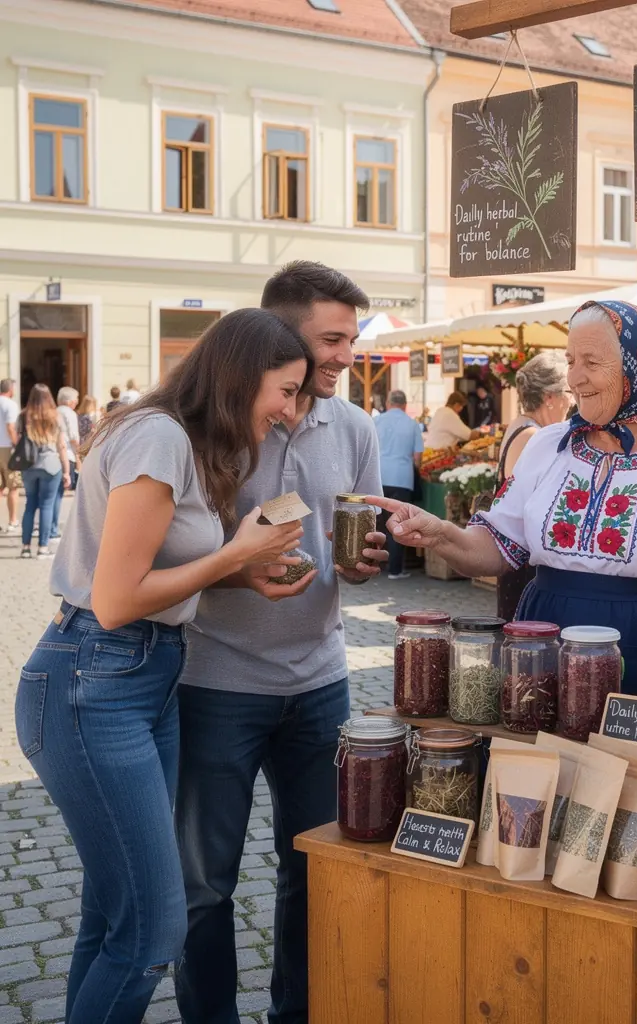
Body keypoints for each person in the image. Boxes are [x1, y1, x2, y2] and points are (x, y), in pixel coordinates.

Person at [15, 309, 309, 1024]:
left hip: (140, 675)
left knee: (113, 916)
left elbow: (155, 574)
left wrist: (242, 576)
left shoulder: (182, 440)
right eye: (287, 389)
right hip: (95, 677)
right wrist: (235, 555)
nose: (291, 409)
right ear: (244, 374)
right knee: (152, 933)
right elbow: (116, 600)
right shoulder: (159, 437)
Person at [371, 300, 637, 725]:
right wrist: (439, 534)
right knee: (543, 784)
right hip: (545, 652)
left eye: (591, 362)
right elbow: (497, 546)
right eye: (570, 360)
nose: (575, 379)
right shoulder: (547, 446)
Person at [173, 262, 388, 1024]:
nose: (343, 358)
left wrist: (362, 568)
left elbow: (351, 551)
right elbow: (171, 567)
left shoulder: (356, 426)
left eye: (350, 342)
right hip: (215, 682)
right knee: (205, 882)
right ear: (275, 336)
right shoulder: (210, 429)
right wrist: (243, 567)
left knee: (315, 868)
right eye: (330, 340)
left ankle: (296, 1013)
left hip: (320, 680)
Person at [496, 351, 571, 620]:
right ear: (549, 397)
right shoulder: (532, 435)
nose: (571, 401)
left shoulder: (521, 425)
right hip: (523, 556)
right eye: (567, 391)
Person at [375, 388, 424, 580]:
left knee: (377, 522)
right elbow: (418, 457)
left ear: (388, 403)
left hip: (378, 476)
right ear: (404, 405)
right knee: (398, 523)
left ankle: (374, 564)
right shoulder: (412, 424)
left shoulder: (376, 421)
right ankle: (395, 570)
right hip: (402, 479)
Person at [17, 385, 71, 559]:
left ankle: (25, 547)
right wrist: (67, 471)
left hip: (29, 465)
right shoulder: (56, 416)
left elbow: (18, 441)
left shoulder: (24, 415)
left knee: (30, 504)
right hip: (51, 464)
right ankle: (43, 548)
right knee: (47, 505)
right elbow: (61, 445)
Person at [52, 387, 81, 540]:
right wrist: (80, 454)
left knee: (51, 496)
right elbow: (73, 437)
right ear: (70, 401)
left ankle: (49, 526)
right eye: (76, 399)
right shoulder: (70, 413)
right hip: (67, 454)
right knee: (58, 495)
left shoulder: (54, 411)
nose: (77, 403)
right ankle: (53, 528)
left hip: (52, 455)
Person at [0, 377, 19, 533]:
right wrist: (17, 444)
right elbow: (10, 427)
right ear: (10, 389)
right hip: (7, 447)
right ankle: (13, 521)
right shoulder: (11, 405)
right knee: (13, 486)